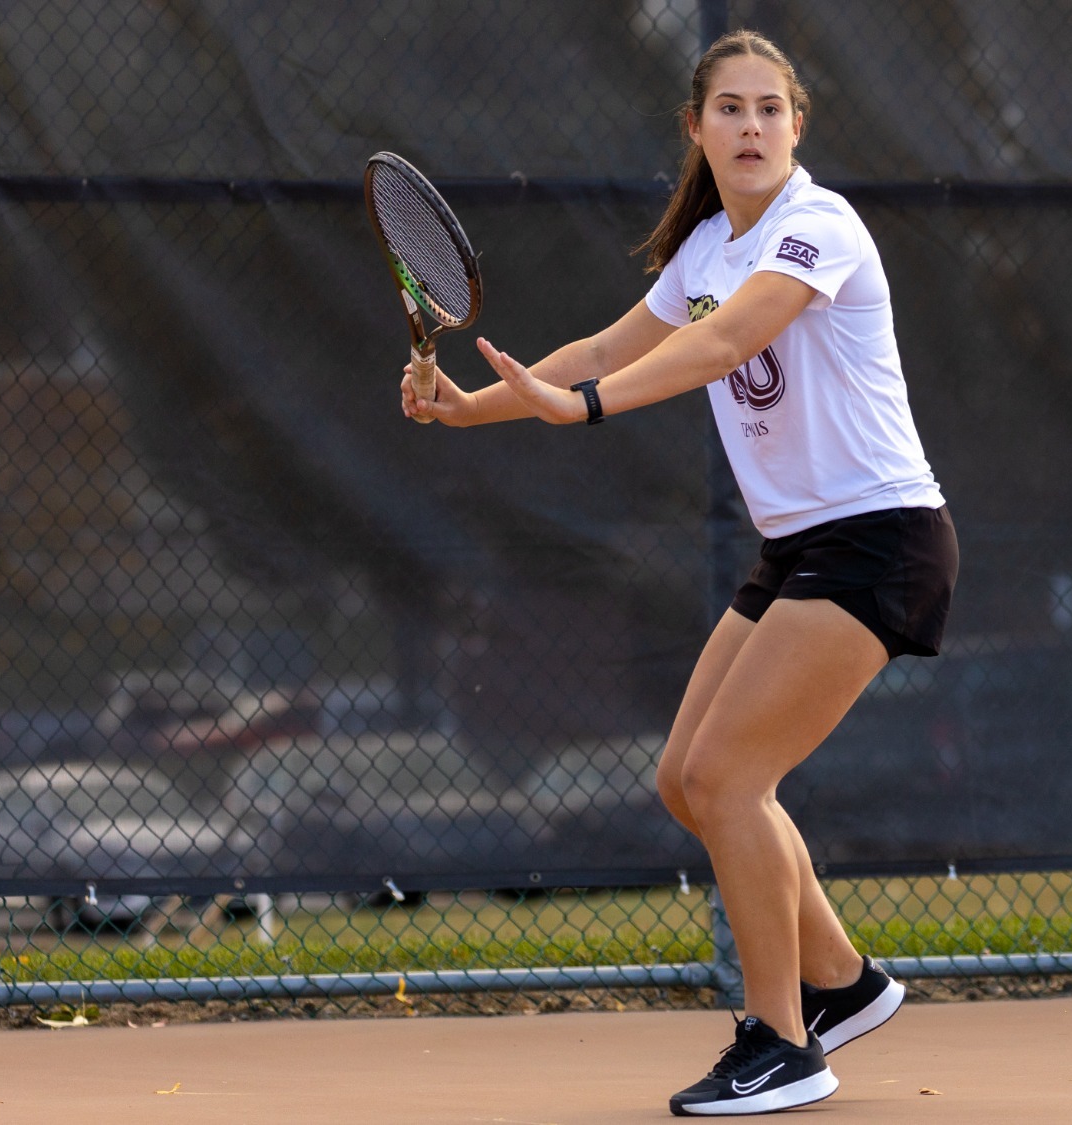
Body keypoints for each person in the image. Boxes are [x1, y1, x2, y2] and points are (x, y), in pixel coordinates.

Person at [401, 29, 956, 1117]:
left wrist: (589, 410)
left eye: (769, 110)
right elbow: (602, 350)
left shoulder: (817, 225)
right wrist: (476, 407)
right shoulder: (703, 250)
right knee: (682, 780)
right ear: (696, 130)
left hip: (880, 537)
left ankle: (781, 1041)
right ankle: (843, 984)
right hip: (799, 546)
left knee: (726, 781)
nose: (750, 127)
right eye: (729, 110)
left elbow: (723, 343)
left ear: (795, 127)